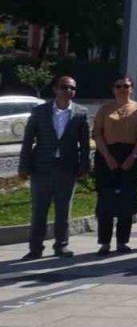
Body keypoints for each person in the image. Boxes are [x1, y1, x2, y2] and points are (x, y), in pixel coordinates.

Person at [19, 75, 90, 260]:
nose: (69, 91)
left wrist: (84, 166)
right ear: (55, 89)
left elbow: (84, 144)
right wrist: (23, 167)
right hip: (41, 167)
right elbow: (28, 141)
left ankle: (61, 246)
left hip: (67, 168)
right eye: (65, 87)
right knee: (39, 210)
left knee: (63, 209)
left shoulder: (81, 113)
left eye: (72, 88)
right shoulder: (40, 111)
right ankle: (35, 248)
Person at [92, 75, 137, 255]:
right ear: (113, 89)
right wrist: (107, 156)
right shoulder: (105, 108)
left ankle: (122, 242)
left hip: (130, 156)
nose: (122, 89)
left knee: (126, 201)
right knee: (106, 200)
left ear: (132, 88)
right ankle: (104, 242)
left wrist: (133, 156)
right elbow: (97, 134)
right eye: (118, 86)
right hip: (107, 156)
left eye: (126, 86)